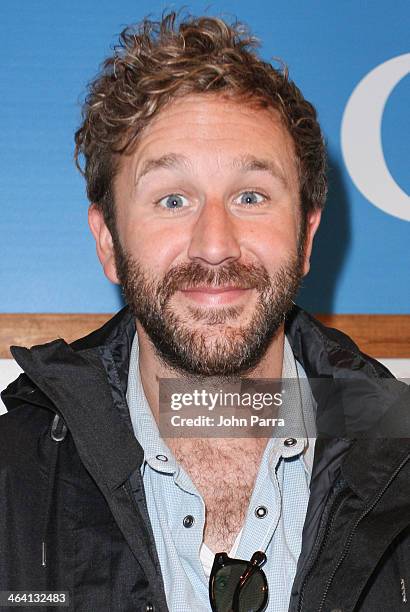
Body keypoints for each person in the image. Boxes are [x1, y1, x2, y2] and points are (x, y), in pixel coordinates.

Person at [1, 11, 409, 612]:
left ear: (306, 238)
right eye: (172, 199)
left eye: (251, 196)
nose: (214, 243)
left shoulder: (398, 442)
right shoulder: (14, 477)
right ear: (109, 242)